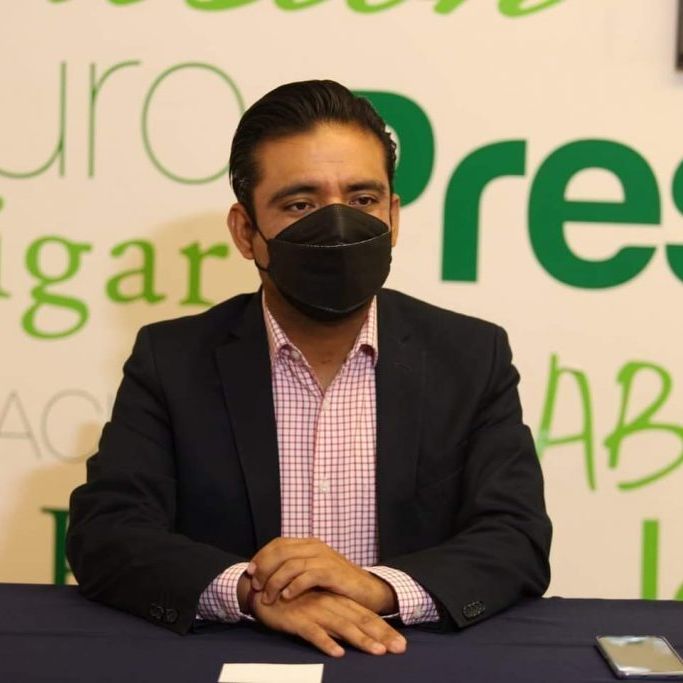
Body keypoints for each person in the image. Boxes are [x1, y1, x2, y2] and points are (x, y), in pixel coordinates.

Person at [66, 80, 552, 658]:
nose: (339, 224)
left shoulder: (470, 355)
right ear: (246, 232)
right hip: (236, 657)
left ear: (393, 217)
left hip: (405, 658)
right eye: (300, 205)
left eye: (363, 199)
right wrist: (253, 592)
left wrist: (376, 588)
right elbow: (107, 532)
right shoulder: (172, 359)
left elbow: (515, 537)